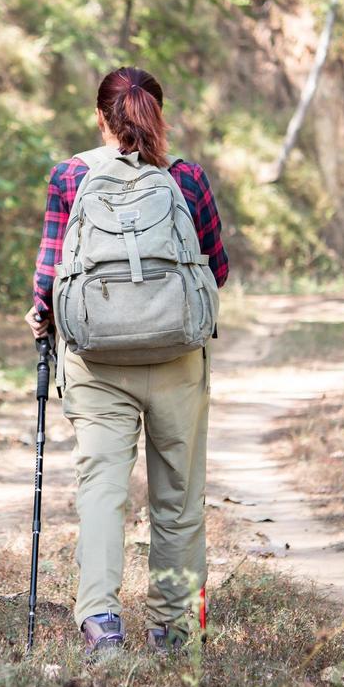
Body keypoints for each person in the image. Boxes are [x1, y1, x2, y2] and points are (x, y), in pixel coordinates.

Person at [24, 66, 229, 655]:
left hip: (96, 364)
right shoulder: (186, 178)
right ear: (158, 113)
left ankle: (101, 624)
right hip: (177, 362)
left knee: (102, 491)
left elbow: (50, 274)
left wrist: (41, 312)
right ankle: (174, 628)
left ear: (99, 116)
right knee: (179, 498)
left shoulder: (70, 175)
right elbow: (215, 269)